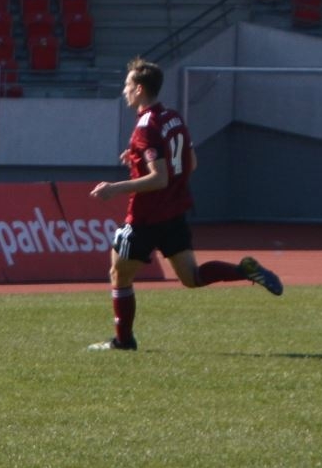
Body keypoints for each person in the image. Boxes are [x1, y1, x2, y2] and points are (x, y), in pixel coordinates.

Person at [86, 57, 283, 351]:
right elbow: (190, 163)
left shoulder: (145, 127)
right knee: (192, 277)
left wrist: (116, 188)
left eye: (127, 85)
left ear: (139, 89)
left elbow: (159, 178)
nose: (124, 90)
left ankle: (123, 341)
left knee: (119, 274)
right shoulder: (172, 118)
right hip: (174, 212)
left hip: (145, 217)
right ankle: (243, 270)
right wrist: (138, 159)